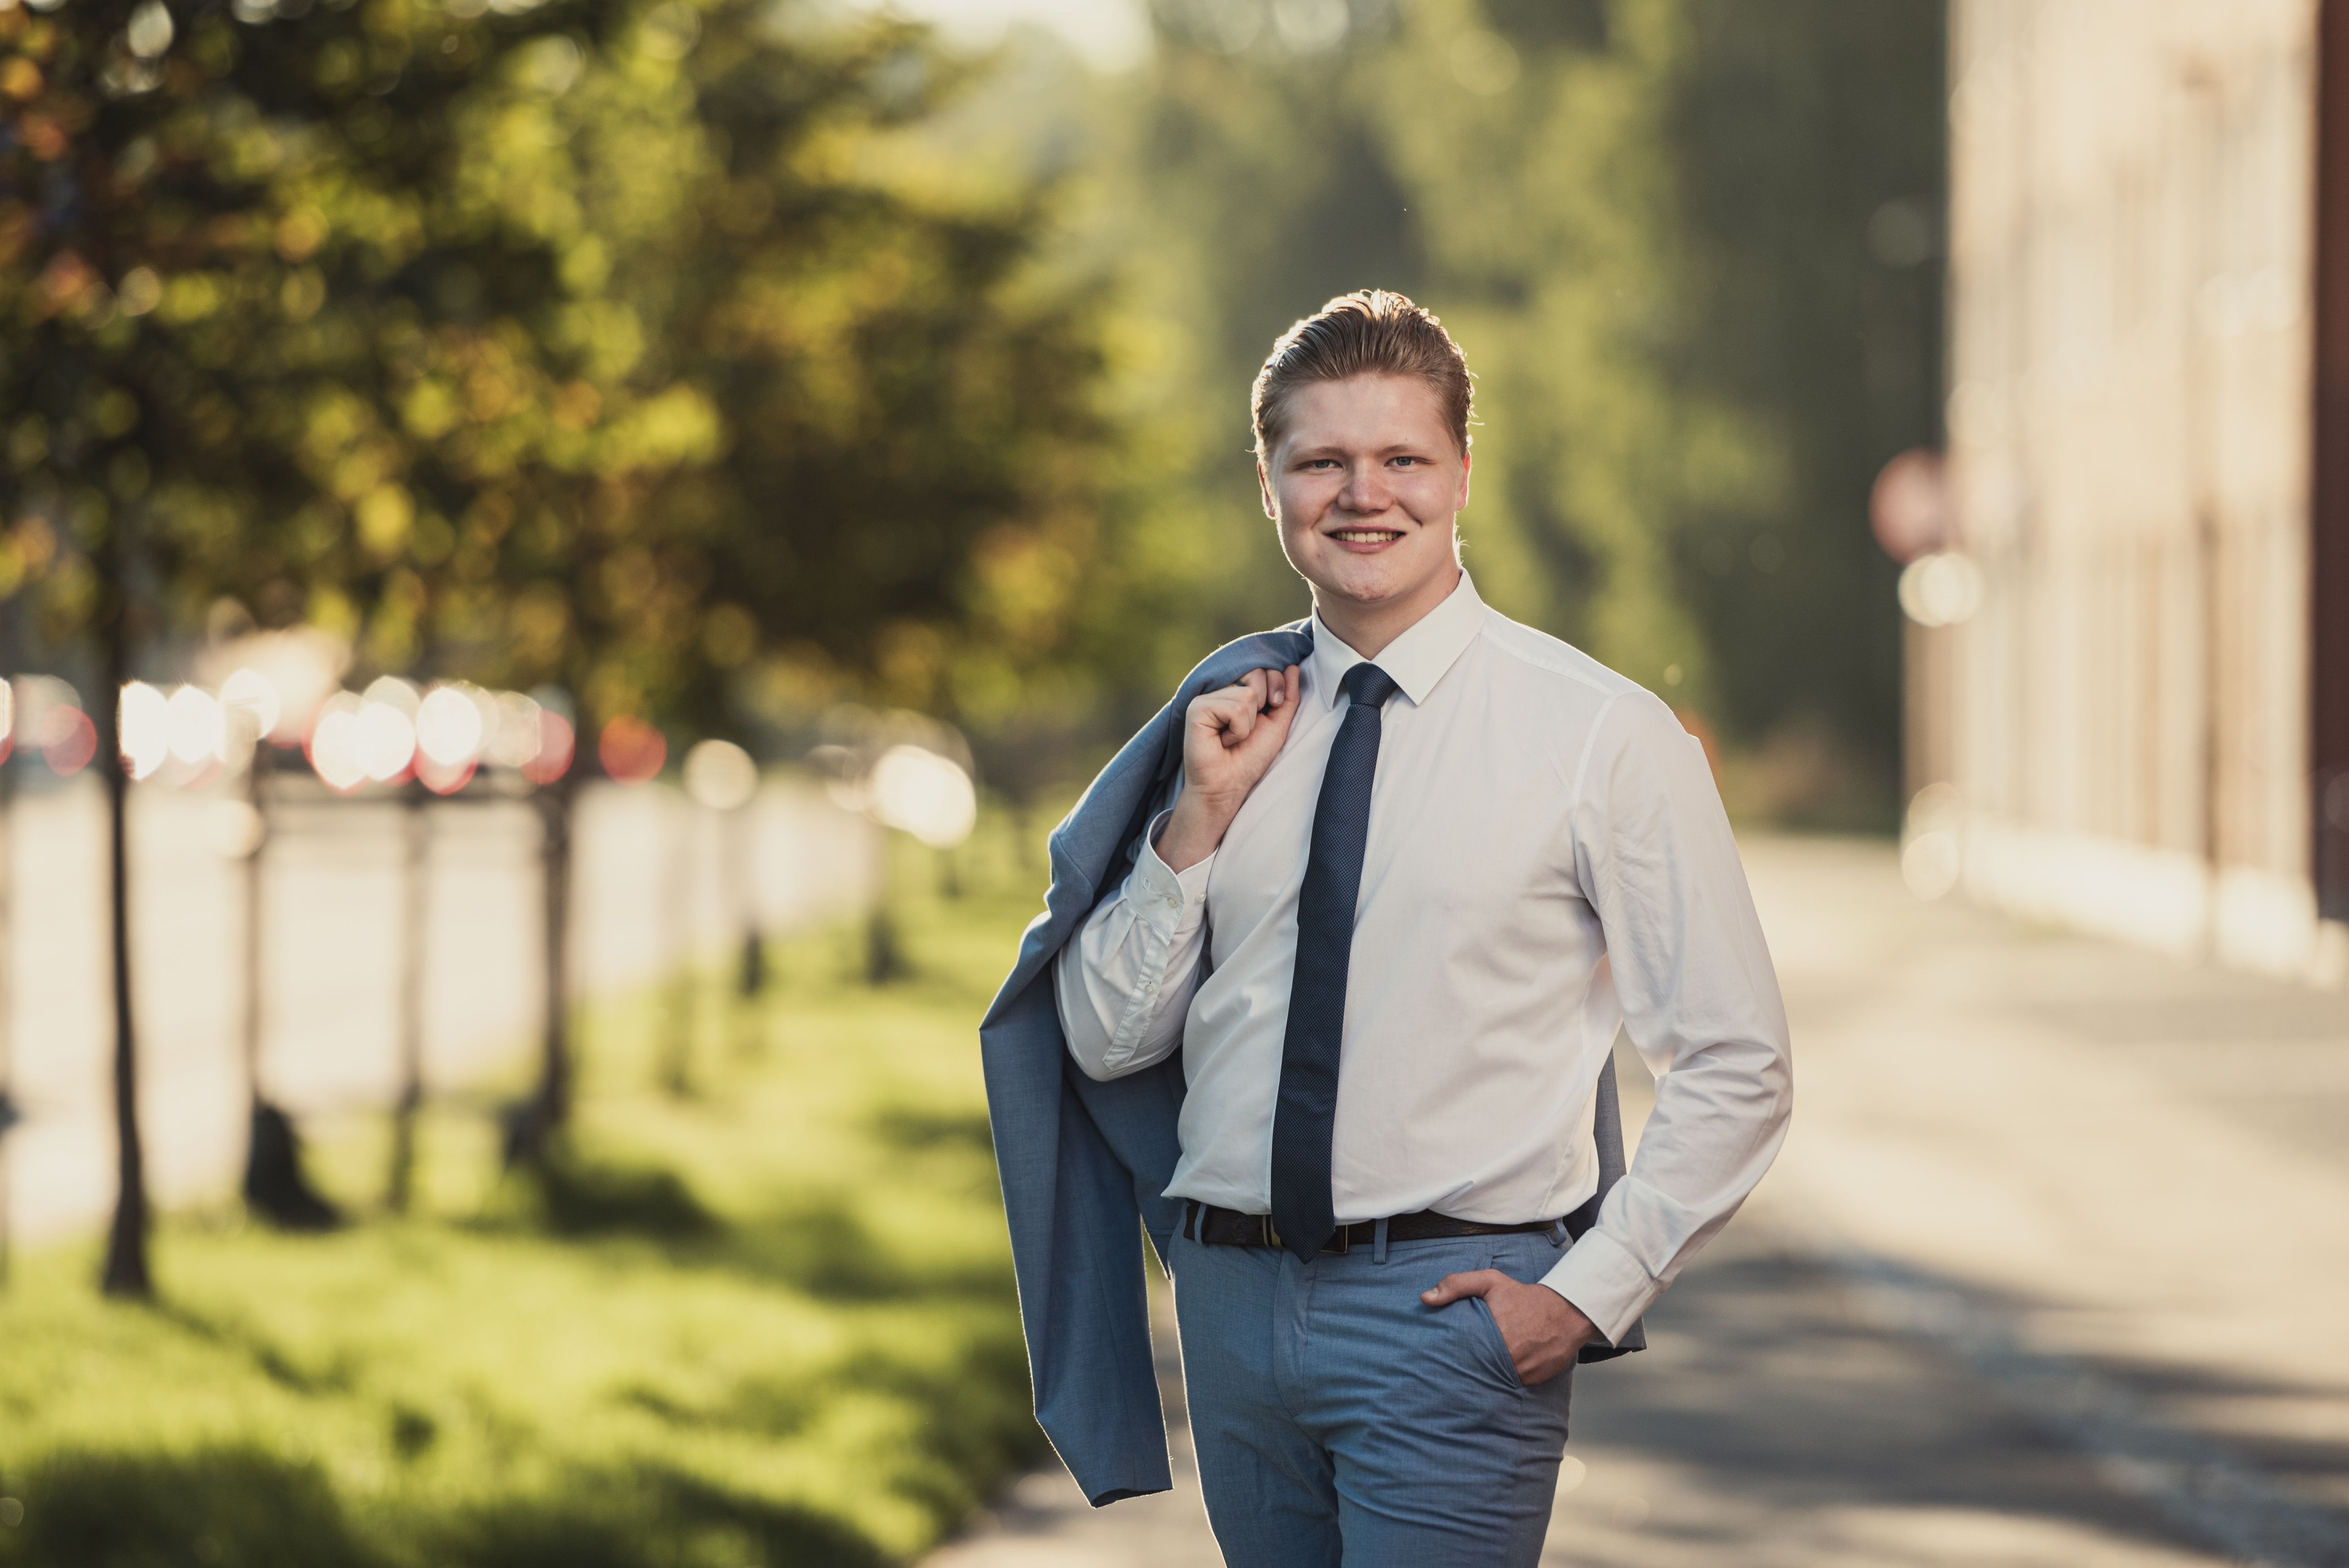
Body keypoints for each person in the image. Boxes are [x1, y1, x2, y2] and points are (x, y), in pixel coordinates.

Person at [982, 289, 1792, 1566]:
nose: (1365, 494)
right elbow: (1102, 1043)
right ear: (1272, 485)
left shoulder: (1598, 734)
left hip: (1451, 1320)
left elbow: (1738, 1060)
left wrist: (1579, 1299)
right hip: (1233, 1313)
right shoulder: (1226, 725)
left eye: (1402, 458)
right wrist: (1194, 823)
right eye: (1324, 462)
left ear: (1463, 471)